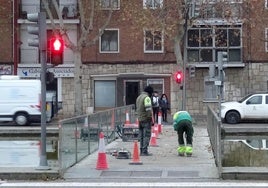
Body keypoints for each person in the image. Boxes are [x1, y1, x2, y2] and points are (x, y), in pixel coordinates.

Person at [136, 85, 154, 156]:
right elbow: (148, 110)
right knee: (146, 135)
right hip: (146, 119)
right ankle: (144, 151)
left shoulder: (139, 97)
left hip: (140, 119)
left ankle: (141, 150)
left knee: (141, 136)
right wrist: (150, 119)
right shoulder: (147, 98)